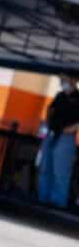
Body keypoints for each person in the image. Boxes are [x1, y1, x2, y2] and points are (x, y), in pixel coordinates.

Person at [36, 77, 78, 210]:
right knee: (45, 168)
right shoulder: (59, 96)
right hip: (52, 134)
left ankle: (57, 203)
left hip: (66, 137)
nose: (62, 82)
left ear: (73, 80)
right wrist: (48, 123)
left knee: (61, 172)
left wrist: (73, 128)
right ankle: (43, 199)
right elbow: (50, 109)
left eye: (65, 79)